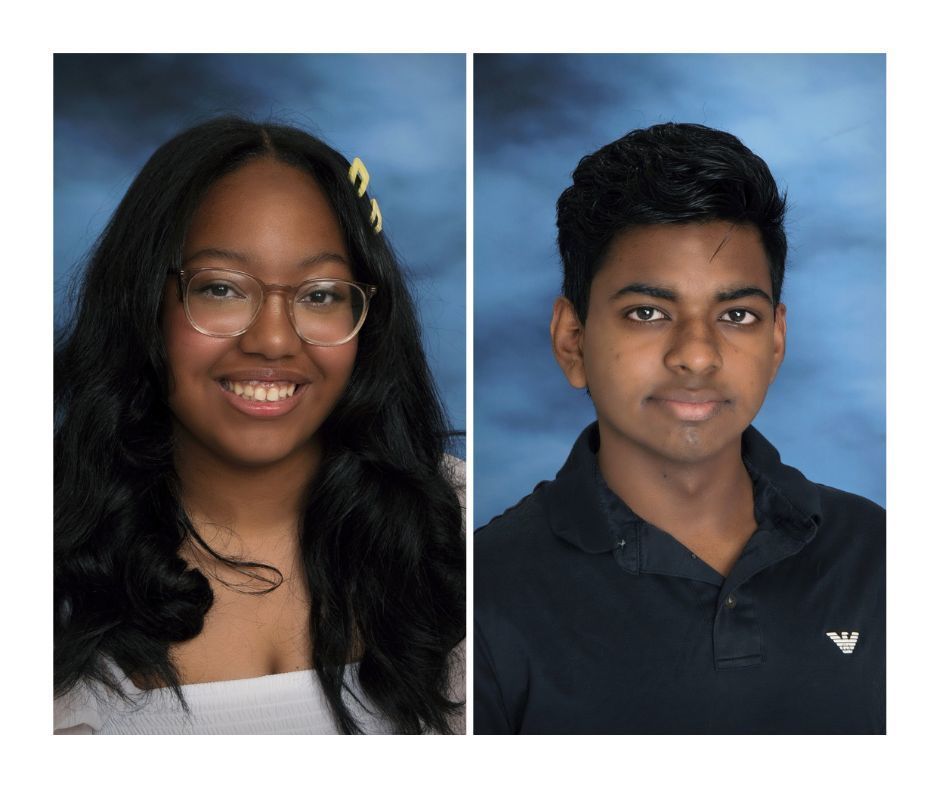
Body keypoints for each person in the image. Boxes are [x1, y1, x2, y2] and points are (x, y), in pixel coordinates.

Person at [54, 116, 465, 734]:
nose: (273, 339)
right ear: (143, 302)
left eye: (321, 294)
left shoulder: (457, 523)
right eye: (221, 289)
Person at [474, 122, 885, 734]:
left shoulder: (883, 556)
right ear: (573, 340)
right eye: (648, 312)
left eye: (737, 314)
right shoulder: (482, 593)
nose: (697, 355)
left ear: (776, 341)